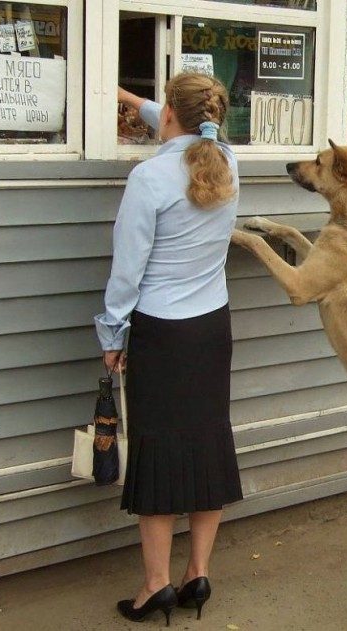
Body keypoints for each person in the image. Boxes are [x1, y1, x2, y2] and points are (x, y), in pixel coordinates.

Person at [94, 73, 243, 627]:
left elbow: (127, 273)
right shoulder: (227, 161)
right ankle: (197, 574)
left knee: (158, 455)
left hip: (160, 332)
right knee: (208, 444)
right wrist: (134, 100)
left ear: (171, 117)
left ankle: (155, 585)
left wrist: (112, 335)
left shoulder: (149, 177)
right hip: (211, 330)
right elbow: (185, 126)